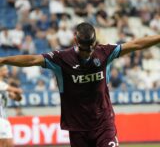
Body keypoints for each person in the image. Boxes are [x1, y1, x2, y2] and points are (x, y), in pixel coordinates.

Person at [0, 22, 160, 147]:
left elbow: (136, 44)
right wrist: (4, 60)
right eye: (84, 50)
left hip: (103, 124)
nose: (88, 53)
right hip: (77, 128)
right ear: (75, 41)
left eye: (90, 49)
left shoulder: (105, 53)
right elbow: (33, 60)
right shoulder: (61, 59)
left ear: (95, 42)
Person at [0, 66, 22, 147]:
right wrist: (18, 91)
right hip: (0, 119)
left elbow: (17, 98)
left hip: (4, 118)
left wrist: (18, 95)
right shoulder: (1, 84)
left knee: (8, 143)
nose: (7, 71)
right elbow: (16, 90)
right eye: (5, 70)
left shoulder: (4, 86)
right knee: (5, 143)